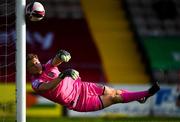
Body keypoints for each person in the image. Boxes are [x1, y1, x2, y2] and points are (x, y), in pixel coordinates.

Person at [26, 49, 160, 112]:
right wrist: (62, 76)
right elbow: (48, 86)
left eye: (36, 62)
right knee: (114, 98)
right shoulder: (35, 83)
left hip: (83, 87)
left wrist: (62, 55)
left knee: (114, 92)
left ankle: (141, 96)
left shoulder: (48, 65)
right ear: (28, 70)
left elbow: (56, 60)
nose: (36, 65)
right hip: (79, 102)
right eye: (32, 65)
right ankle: (146, 94)